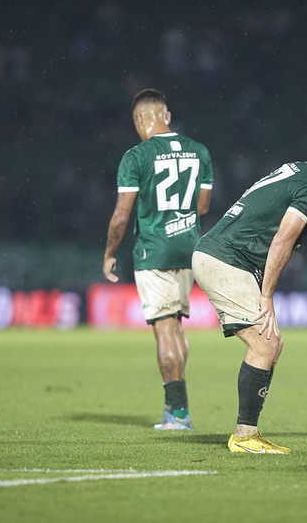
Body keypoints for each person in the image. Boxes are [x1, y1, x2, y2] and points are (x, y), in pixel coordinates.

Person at [193, 138, 307, 454]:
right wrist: (267, 297)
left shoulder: (302, 170)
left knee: (271, 344)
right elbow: (282, 240)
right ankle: (244, 437)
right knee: (266, 343)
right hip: (227, 260)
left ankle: (249, 433)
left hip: (225, 257)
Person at [103, 88, 213, 431]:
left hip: (155, 250)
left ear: (139, 119)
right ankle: (179, 410)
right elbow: (204, 207)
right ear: (166, 116)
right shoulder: (199, 151)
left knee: (164, 330)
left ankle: (177, 413)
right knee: (176, 328)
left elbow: (122, 215)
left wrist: (109, 253)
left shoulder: (136, 156)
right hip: (189, 248)